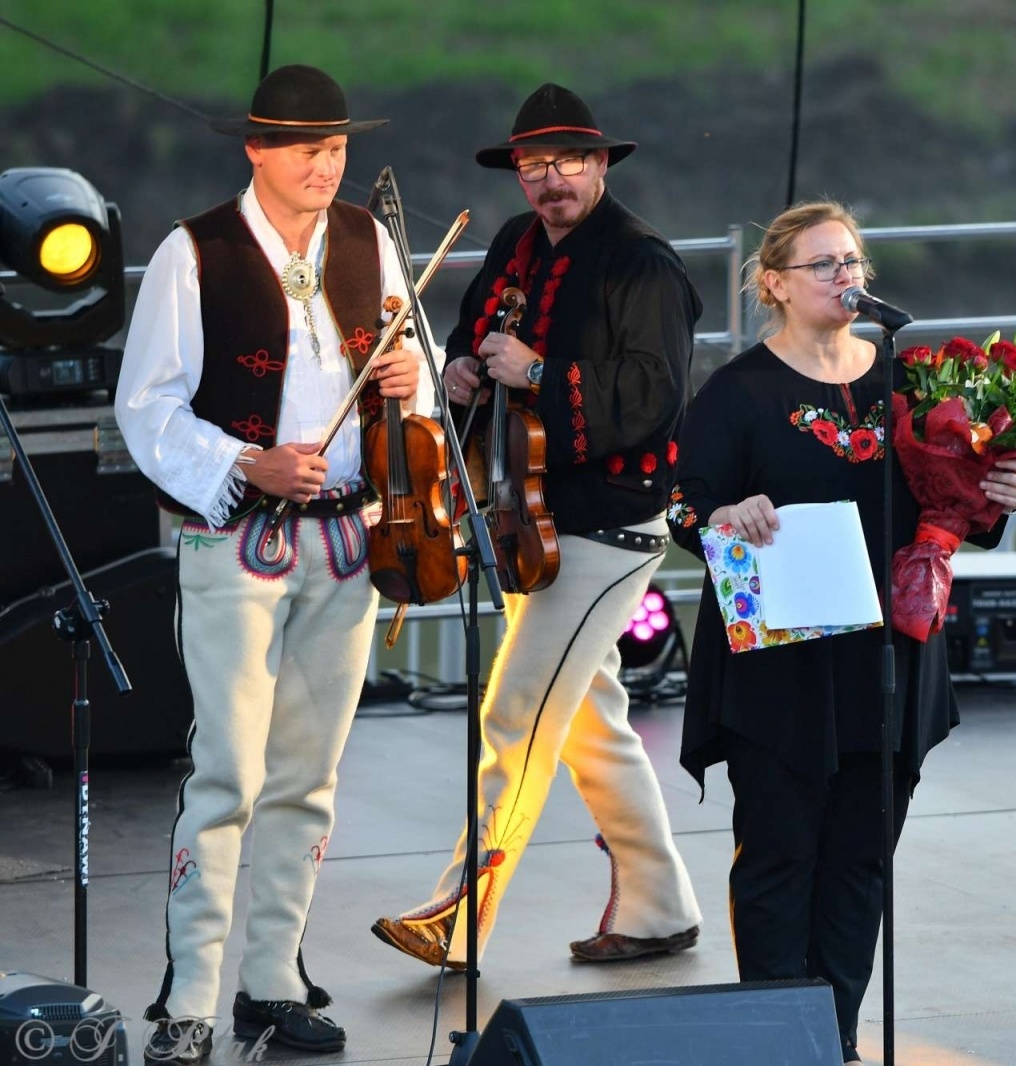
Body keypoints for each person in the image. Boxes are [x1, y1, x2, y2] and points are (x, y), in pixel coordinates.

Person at [668, 200, 1016, 1064]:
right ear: (774, 284)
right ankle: (775, 1039)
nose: (847, 278)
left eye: (854, 262)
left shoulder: (907, 382)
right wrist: (727, 511)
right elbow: (686, 503)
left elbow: (957, 504)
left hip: (889, 658)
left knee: (862, 864)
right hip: (783, 673)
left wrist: (1002, 497)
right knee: (779, 858)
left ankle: (832, 1036)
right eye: (824, 265)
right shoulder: (738, 391)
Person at [114, 65, 423, 1064]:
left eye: (335, 148)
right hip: (235, 540)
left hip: (347, 534)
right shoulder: (192, 252)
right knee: (228, 772)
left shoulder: (370, 242)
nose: (325, 165)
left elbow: (411, 387)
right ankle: (189, 997)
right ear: (256, 149)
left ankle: (272, 980)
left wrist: (410, 378)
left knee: (308, 775)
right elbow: (147, 406)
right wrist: (247, 460)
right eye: (305, 149)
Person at [371, 83, 702, 970]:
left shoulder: (646, 265)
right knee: (591, 723)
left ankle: (457, 914)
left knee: (514, 714)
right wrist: (465, 372)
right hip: (531, 519)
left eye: (566, 163)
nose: (549, 181)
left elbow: (654, 397)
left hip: (606, 531)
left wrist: (543, 371)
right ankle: (659, 904)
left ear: (599, 166)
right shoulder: (518, 243)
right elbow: (478, 335)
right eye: (532, 166)